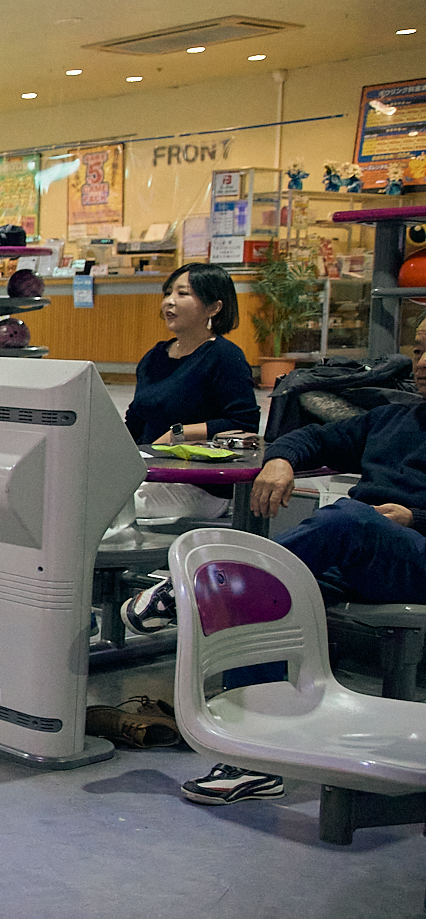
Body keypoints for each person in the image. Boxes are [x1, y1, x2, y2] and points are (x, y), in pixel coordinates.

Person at [122, 338, 426, 807]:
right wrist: (280, 461)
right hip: (360, 553)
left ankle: (193, 593)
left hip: (413, 559)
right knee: (261, 598)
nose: (422, 363)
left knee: (346, 518)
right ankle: (256, 763)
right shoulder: (393, 418)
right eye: (420, 350)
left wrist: (413, 518)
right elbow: (311, 438)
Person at [124, 263, 259, 447]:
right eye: (168, 293)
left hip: (195, 468)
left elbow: (243, 424)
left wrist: (179, 434)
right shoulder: (155, 356)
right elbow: (136, 420)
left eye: (183, 293)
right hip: (146, 463)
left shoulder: (224, 356)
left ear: (213, 308)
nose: (169, 301)